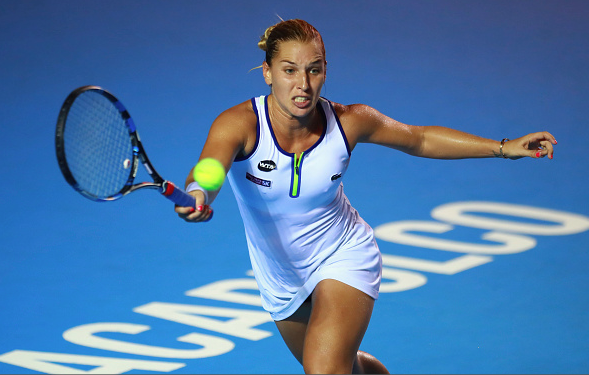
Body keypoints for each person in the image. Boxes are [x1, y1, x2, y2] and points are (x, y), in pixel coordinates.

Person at [175, 19, 556, 374]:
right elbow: (211, 165)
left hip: (343, 253)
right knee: (347, 367)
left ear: (325, 71)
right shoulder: (240, 123)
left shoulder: (349, 121)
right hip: (280, 275)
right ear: (268, 72)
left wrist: (504, 147)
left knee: (324, 369)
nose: (303, 84)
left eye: (314, 69)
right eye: (289, 70)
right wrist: (199, 191)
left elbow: (418, 138)